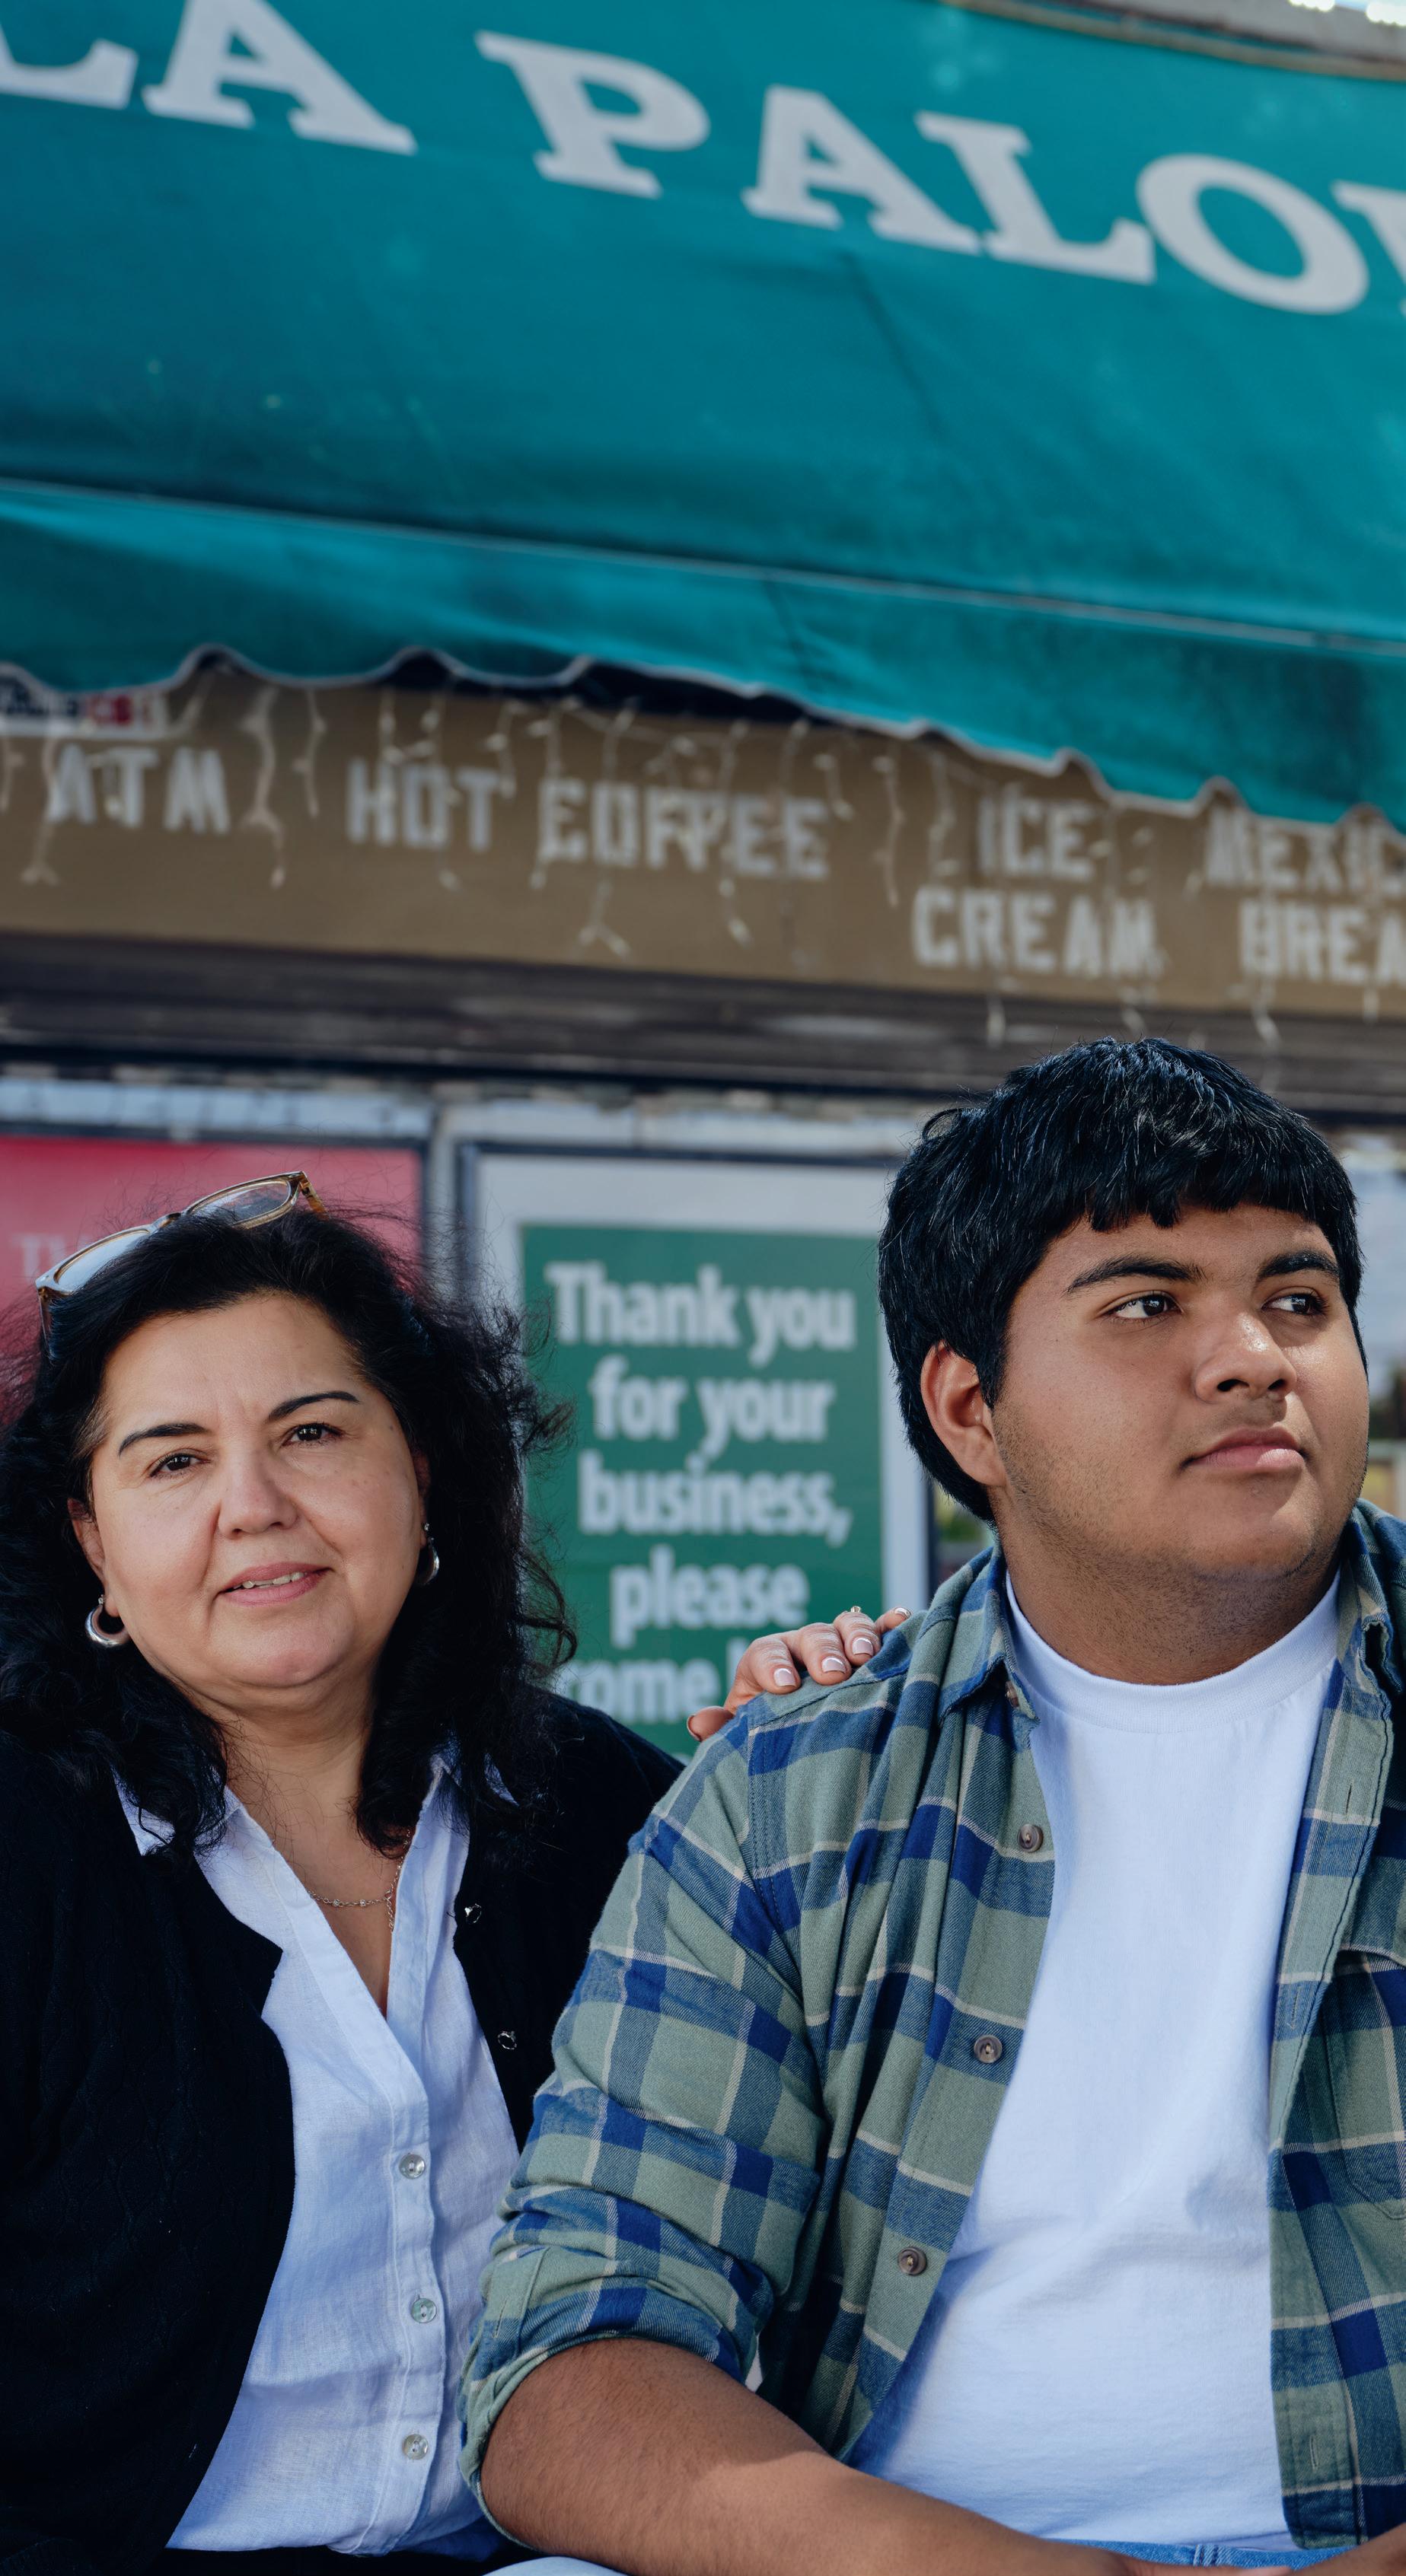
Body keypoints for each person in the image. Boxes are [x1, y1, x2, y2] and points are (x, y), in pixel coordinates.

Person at [463, 1037, 1406, 2576]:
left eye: (1298, 1299)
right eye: (1148, 1304)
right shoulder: (791, 1795)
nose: (1253, 1357)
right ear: (971, 1409)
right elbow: (571, 2364)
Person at [0, 1173, 867, 2576]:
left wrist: (831, 1755)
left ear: (422, 1472)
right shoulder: (30, 1849)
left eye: (312, 1432)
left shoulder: (604, 1811)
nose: (253, 1505)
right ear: (92, 1543)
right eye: (172, 1462)